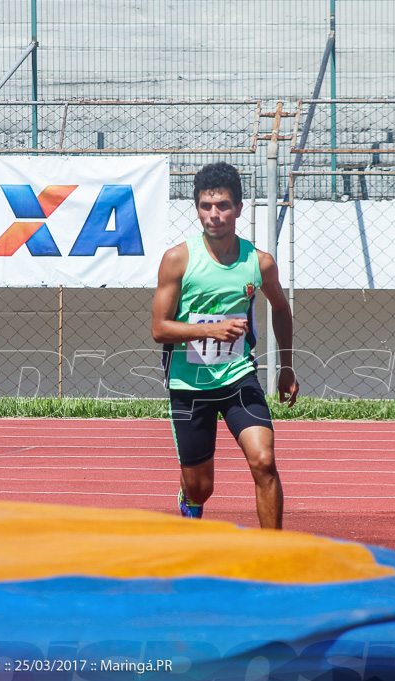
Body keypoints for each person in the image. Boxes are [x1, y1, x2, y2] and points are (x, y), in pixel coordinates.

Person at [151, 162, 299, 530]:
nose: (214, 215)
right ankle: (189, 499)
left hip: (238, 378)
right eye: (205, 206)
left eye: (223, 206)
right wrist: (211, 330)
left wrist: (286, 367)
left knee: (263, 460)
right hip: (189, 386)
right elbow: (159, 328)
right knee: (201, 489)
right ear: (197, 208)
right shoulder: (178, 259)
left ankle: (274, 555)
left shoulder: (259, 262)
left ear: (238, 208)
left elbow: (280, 308)